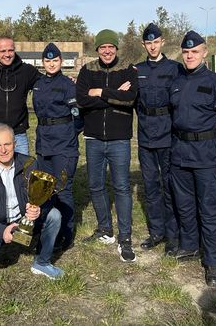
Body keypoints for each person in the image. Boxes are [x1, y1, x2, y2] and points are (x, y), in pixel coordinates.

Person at [169, 31, 216, 287]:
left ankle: (214, 263)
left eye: (195, 51)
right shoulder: (176, 80)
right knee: (184, 205)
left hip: (207, 154)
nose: (190, 55)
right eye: (185, 52)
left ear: (205, 52)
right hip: (180, 152)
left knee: (209, 209)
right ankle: (190, 245)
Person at [0, 123, 64, 279]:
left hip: (23, 219)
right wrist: (1, 231)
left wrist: (40, 209)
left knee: (54, 216)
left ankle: (42, 262)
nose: (3, 150)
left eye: (7, 144)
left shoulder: (31, 164)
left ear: (15, 144)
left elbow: (48, 196)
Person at [76, 29, 138, 262]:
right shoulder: (87, 69)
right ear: (97, 49)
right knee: (95, 185)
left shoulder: (128, 69)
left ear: (116, 48)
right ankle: (105, 229)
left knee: (121, 186)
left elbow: (130, 98)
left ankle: (125, 237)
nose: (107, 50)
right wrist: (113, 96)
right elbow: (82, 99)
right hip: (93, 138)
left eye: (111, 46)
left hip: (119, 138)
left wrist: (100, 92)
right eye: (103, 47)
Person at [134, 23, 181, 256]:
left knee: (170, 186)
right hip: (145, 136)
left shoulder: (175, 69)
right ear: (144, 45)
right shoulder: (137, 69)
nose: (152, 46)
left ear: (162, 42)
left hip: (167, 135)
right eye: (148, 43)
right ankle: (156, 231)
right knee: (150, 186)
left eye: (156, 42)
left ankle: (173, 235)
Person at [32, 42, 83, 251]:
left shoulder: (68, 84)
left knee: (63, 189)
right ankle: (47, 229)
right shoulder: (38, 84)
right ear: (43, 63)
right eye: (47, 60)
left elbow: (78, 116)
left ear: (61, 61)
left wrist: (70, 135)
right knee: (44, 189)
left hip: (63, 144)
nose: (51, 64)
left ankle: (66, 234)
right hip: (44, 142)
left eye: (55, 60)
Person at [0, 36, 41, 157]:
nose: (7, 54)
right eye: (2, 51)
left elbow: (47, 83)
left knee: (21, 172)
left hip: (18, 134)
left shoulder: (27, 71)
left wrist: (66, 80)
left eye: (10, 50)